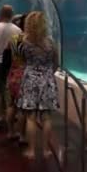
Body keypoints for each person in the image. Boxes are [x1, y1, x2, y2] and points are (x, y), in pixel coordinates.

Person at [17, 11, 59, 159]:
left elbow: (22, 60)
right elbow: (56, 62)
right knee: (47, 117)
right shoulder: (51, 43)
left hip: (30, 79)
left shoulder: (24, 42)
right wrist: (47, 73)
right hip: (47, 80)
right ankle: (47, 150)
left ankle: (31, 150)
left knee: (31, 117)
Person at [6, 13, 27, 141]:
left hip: (13, 73)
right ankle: (22, 135)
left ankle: (10, 132)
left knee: (11, 105)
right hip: (25, 76)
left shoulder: (14, 39)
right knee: (23, 108)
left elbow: (8, 53)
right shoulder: (32, 42)